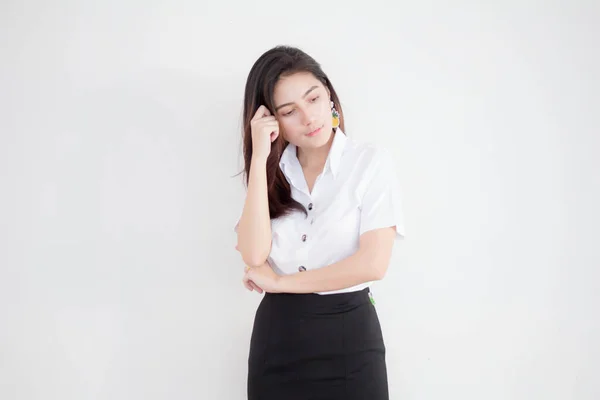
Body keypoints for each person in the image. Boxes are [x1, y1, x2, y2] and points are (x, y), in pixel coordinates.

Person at [234, 45, 405, 400]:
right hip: (277, 339)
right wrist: (260, 156)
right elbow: (253, 254)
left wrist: (280, 281)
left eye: (313, 99)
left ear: (329, 94)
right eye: (288, 111)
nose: (309, 118)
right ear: (271, 120)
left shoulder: (369, 162)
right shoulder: (271, 173)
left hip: (349, 336)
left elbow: (372, 264)